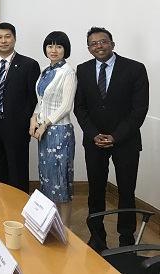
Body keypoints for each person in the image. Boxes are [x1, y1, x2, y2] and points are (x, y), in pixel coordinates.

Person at [74, 27, 149, 250]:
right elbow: (80, 107)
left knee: (126, 192)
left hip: (126, 142)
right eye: (93, 43)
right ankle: (97, 238)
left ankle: (126, 240)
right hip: (94, 141)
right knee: (95, 191)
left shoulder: (135, 69)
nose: (99, 46)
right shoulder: (83, 70)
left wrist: (115, 136)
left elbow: (139, 109)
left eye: (103, 41)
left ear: (112, 44)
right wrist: (93, 134)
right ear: (89, 49)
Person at [29, 31, 77, 226]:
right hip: (44, 132)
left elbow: (66, 106)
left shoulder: (68, 72)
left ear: (65, 49)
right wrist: (34, 119)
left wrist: (45, 124)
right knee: (47, 180)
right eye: (50, 46)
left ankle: (64, 229)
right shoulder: (45, 71)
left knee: (61, 180)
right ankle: (50, 225)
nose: (53, 50)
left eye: (58, 46)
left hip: (60, 133)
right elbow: (40, 101)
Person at [0, 22, 39, 193]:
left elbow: (34, 99)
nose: (3, 41)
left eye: (7, 37)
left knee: (17, 172)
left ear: (15, 39)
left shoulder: (29, 65)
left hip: (16, 126)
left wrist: (27, 121)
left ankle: (18, 206)